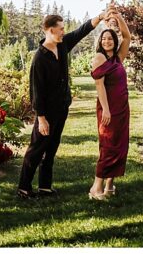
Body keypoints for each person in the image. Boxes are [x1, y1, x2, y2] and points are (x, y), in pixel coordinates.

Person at [17, 10, 104, 199]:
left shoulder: (63, 45)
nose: (64, 32)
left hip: (61, 108)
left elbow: (82, 31)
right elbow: (36, 90)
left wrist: (101, 16)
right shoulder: (40, 58)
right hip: (46, 113)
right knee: (37, 149)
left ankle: (45, 187)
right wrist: (41, 119)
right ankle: (24, 188)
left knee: (52, 147)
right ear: (50, 30)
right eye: (61, 29)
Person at [89, 6, 131, 200]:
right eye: (103, 38)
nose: (106, 41)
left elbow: (127, 37)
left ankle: (110, 186)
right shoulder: (99, 58)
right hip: (108, 108)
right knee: (108, 146)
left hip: (122, 108)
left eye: (110, 38)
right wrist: (105, 109)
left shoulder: (118, 57)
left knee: (121, 146)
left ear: (114, 42)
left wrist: (118, 16)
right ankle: (95, 188)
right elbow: (100, 86)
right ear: (100, 41)